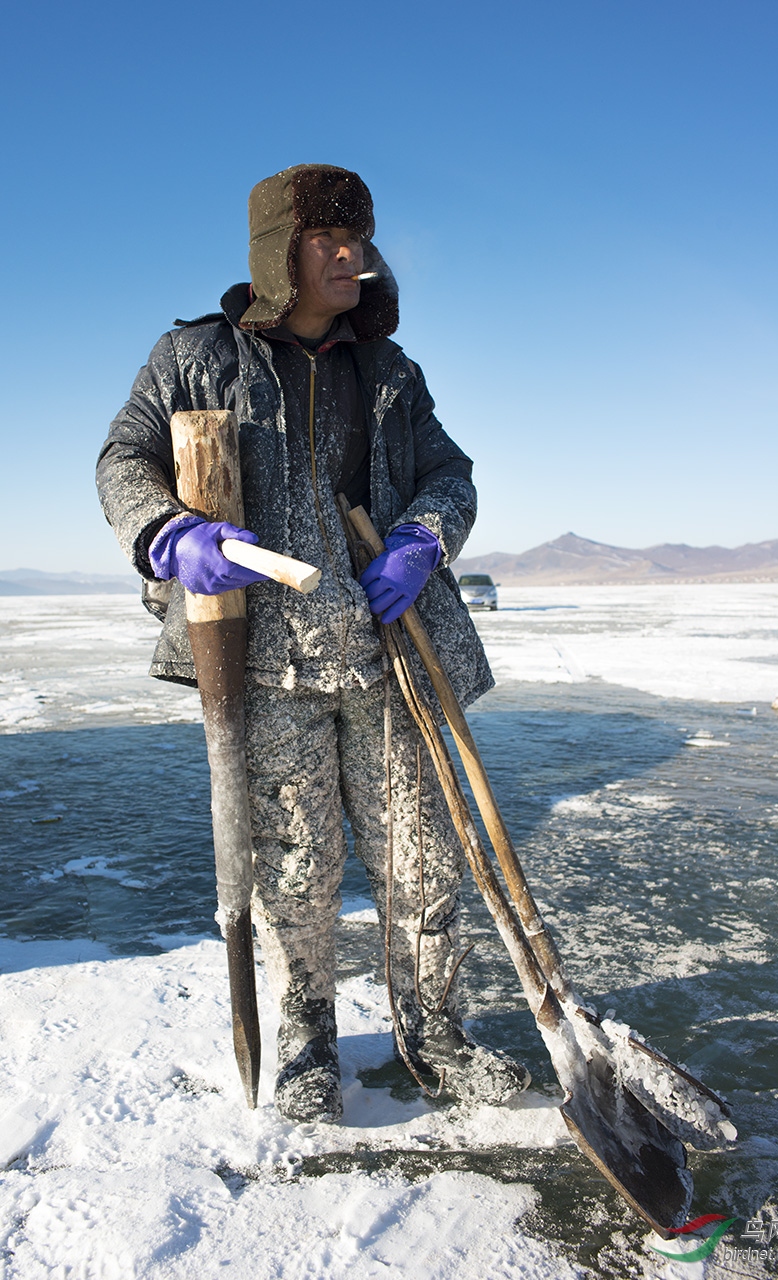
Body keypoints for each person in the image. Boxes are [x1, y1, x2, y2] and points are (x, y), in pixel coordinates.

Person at [97, 164, 529, 1122]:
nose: (353, 255)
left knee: (422, 860)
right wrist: (169, 532)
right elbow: (124, 457)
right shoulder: (194, 357)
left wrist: (423, 537)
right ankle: (305, 1042)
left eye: (360, 238)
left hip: (389, 661)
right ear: (277, 252)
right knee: (294, 868)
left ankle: (436, 1033)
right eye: (330, 238)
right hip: (268, 665)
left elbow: (449, 472)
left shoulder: (388, 372)